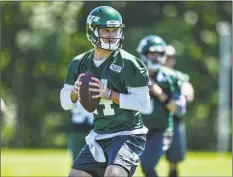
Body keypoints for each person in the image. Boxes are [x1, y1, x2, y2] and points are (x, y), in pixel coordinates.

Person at [60, 6, 151, 177]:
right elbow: (65, 102)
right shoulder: (79, 63)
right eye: (105, 30)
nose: (111, 34)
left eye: (115, 30)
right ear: (92, 31)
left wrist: (108, 94)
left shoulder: (130, 63)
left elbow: (144, 103)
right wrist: (75, 91)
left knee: (114, 174)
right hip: (100, 134)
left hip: (128, 133)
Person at [136, 35, 187, 177]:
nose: (156, 58)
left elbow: (180, 110)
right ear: (144, 54)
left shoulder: (171, 77)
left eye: (159, 54)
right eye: (152, 53)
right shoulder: (132, 75)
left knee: (147, 164)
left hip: (160, 130)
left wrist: (159, 93)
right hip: (136, 130)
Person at [164, 45, 194, 177]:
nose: (169, 60)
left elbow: (188, 87)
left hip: (174, 119)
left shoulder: (179, 76)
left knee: (174, 158)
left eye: (172, 57)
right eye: (167, 56)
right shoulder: (153, 73)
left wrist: (187, 93)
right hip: (155, 119)